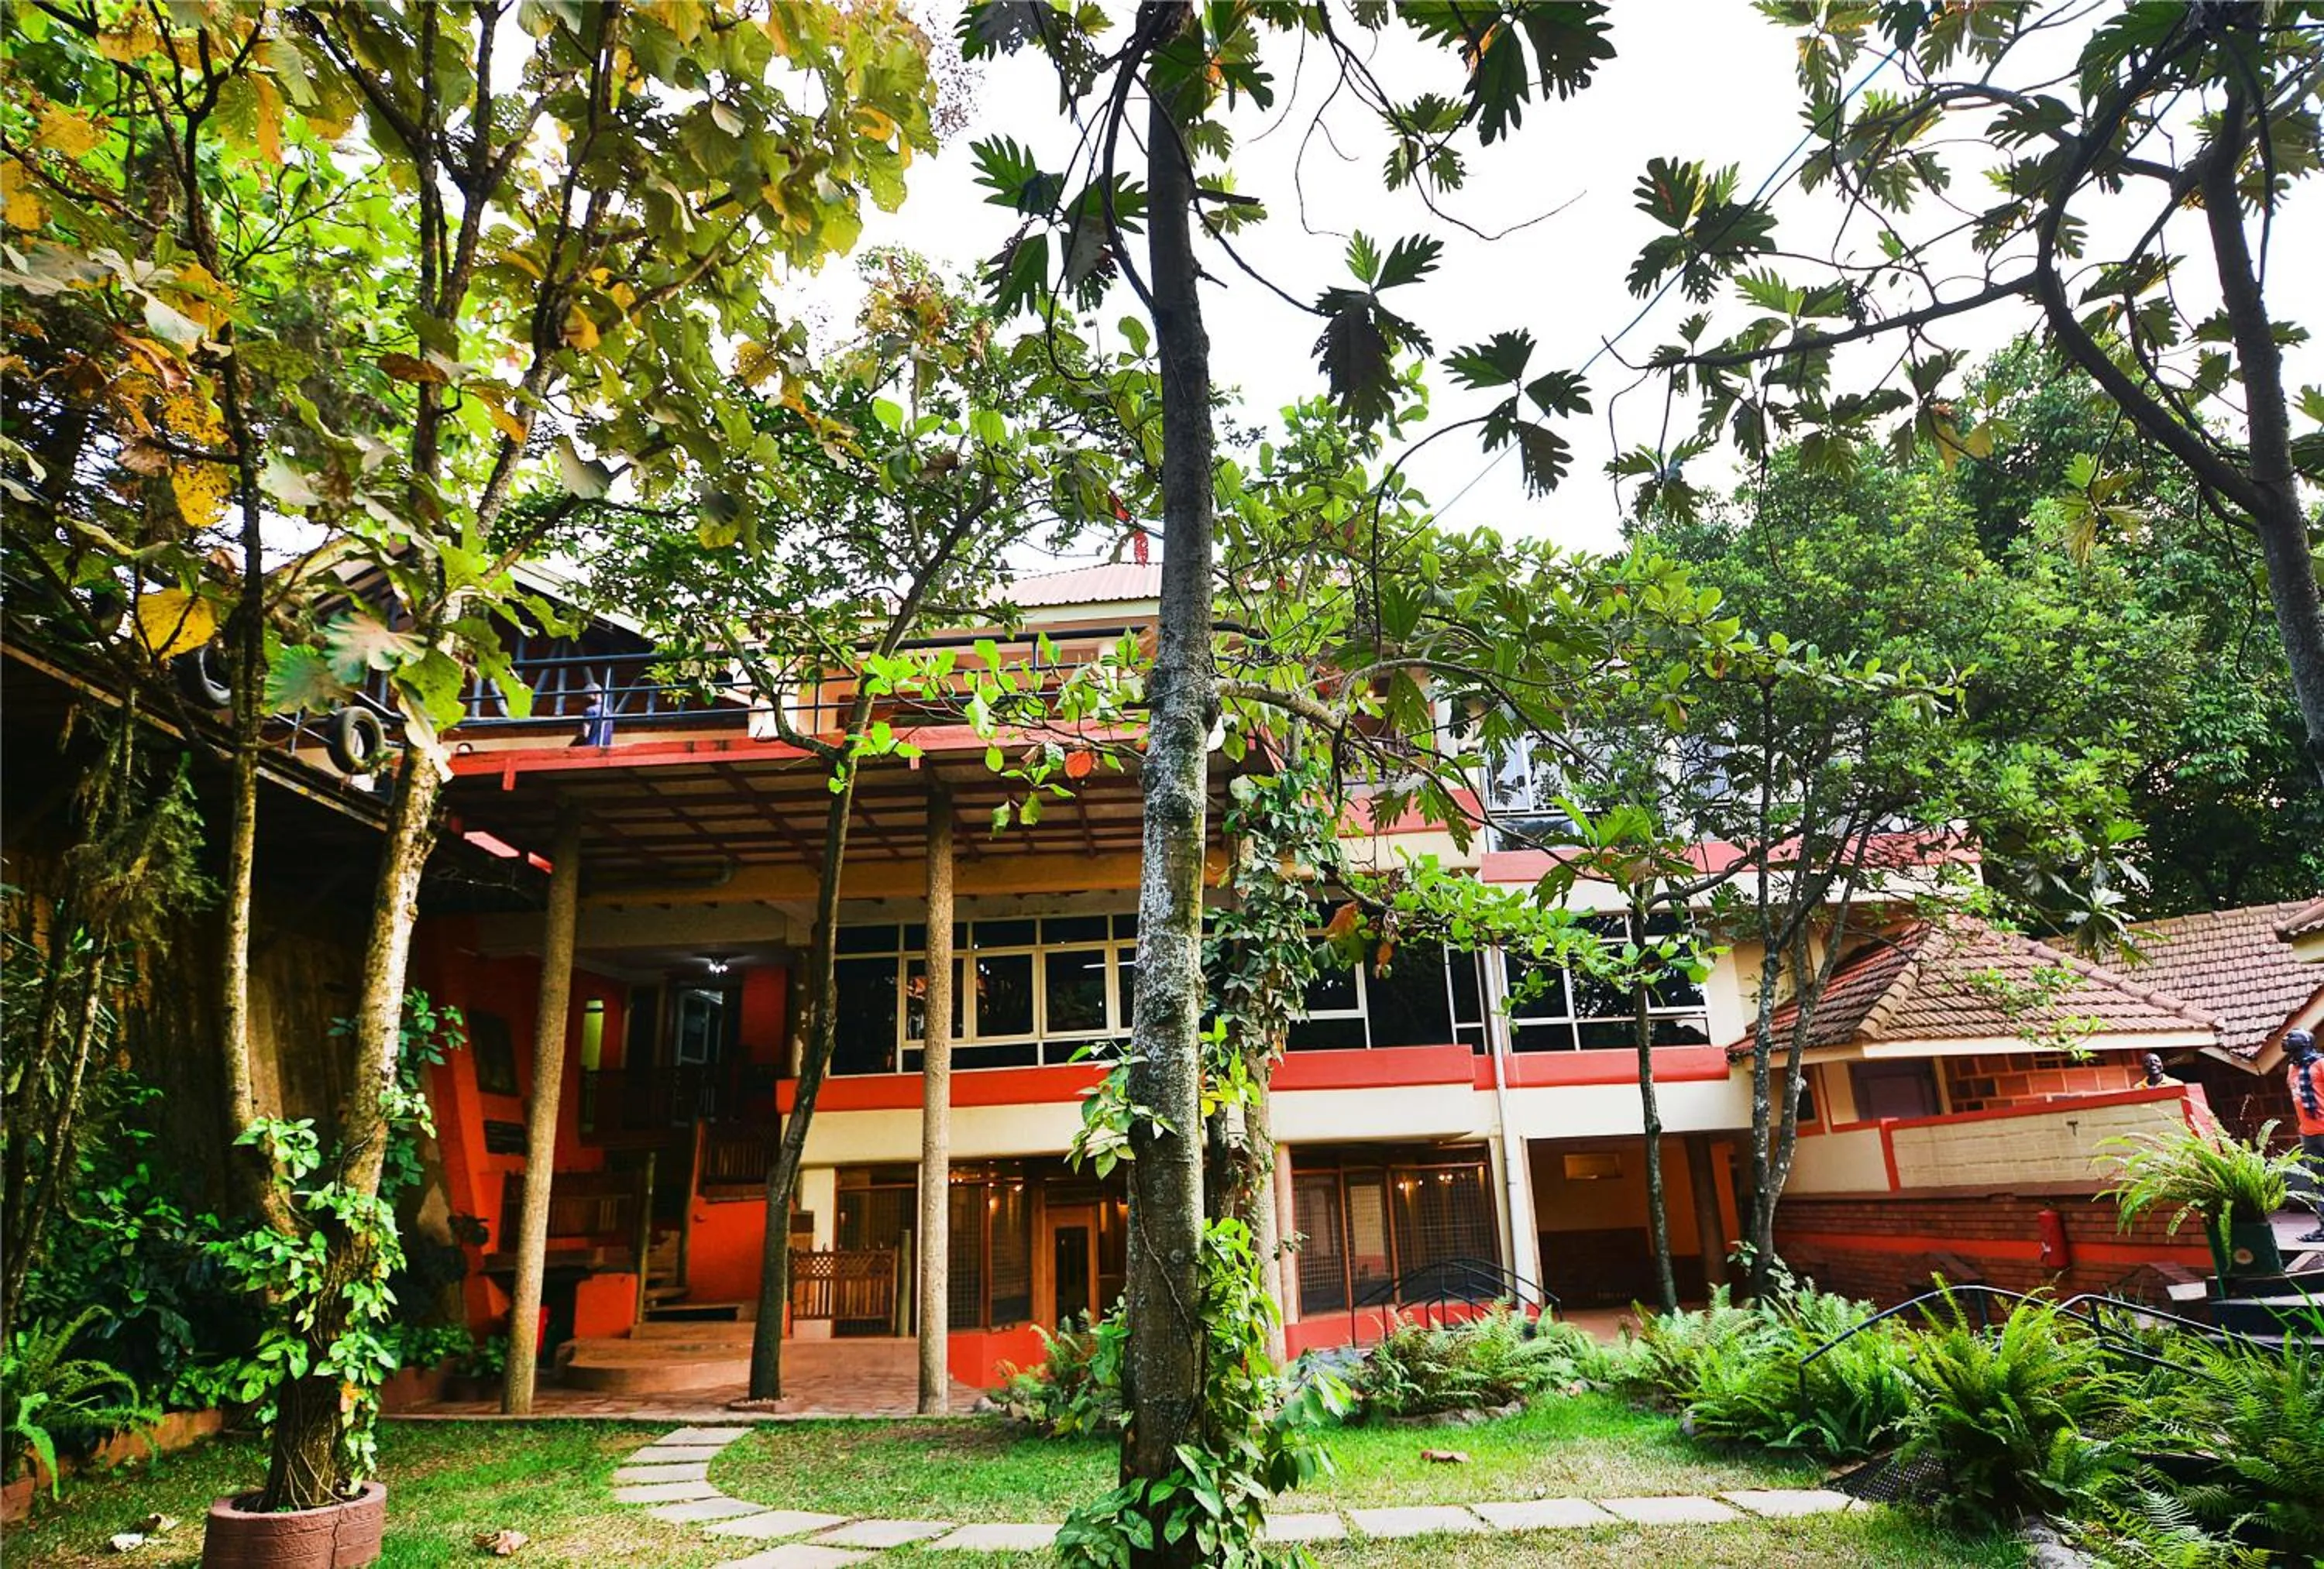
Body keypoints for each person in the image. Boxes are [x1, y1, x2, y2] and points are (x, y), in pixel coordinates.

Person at [2286, 1028, 2324, 1245]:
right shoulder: (2292, 1069)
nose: (2286, 1040)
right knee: (2319, 1182)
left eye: (2291, 1037)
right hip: (2309, 1134)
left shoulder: (2321, 1064)